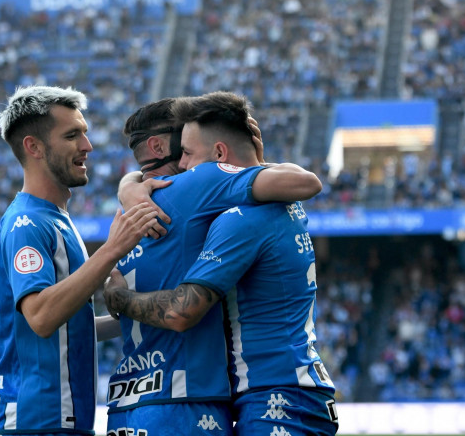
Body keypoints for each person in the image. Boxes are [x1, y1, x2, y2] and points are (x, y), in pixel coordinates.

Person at [105, 92, 338, 436]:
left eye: (188, 153)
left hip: (277, 399)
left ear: (219, 156)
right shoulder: (280, 207)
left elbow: (180, 312)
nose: (184, 166)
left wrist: (119, 299)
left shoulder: (238, 218)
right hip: (292, 390)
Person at [0, 85, 164, 436]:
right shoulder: (28, 223)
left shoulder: (55, 219)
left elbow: (70, 327)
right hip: (38, 422)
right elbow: (40, 316)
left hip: (60, 421)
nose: (87, 146)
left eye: (84, 133)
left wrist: (137, 311)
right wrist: (112, 249)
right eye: (72, 135)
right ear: (34, 147)